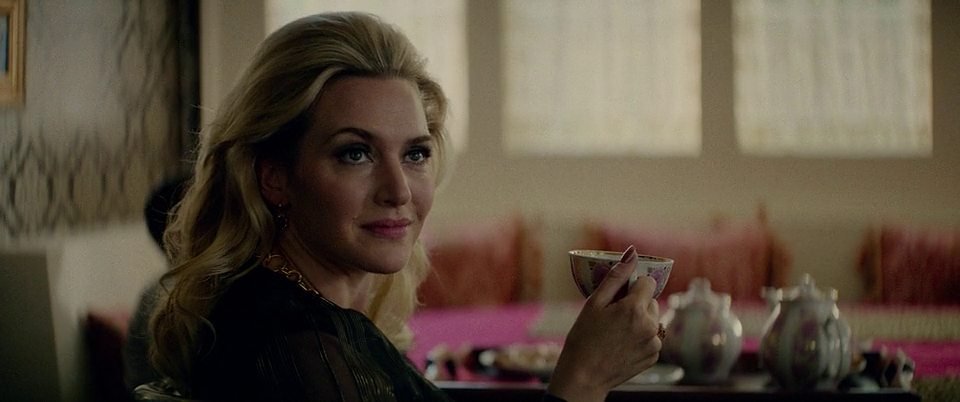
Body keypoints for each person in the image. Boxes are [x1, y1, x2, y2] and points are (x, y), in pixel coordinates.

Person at [147, 11, 662, 402]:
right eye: (356, 153)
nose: (398, 190)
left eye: (415, 153)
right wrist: (583, 379)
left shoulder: (309, 317)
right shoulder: (296, 352)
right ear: (275, 177)